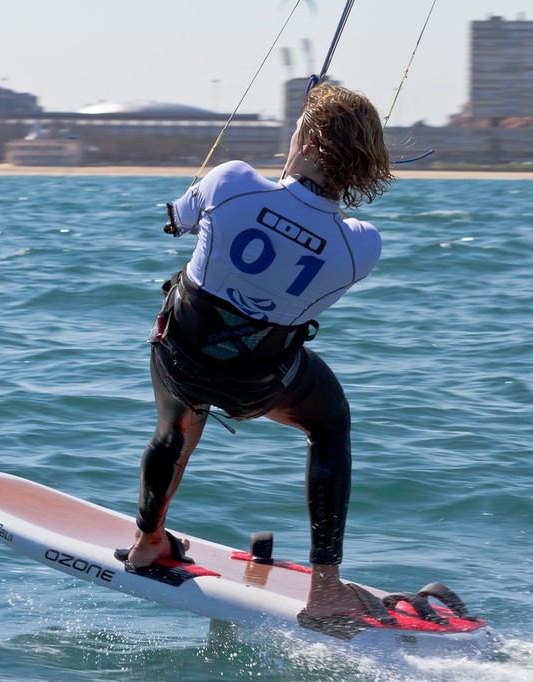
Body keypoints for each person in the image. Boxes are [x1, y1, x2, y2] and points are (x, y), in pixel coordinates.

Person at [122, 82, 394, 627]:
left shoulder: (234, 181)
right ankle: (325, 588)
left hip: (180, 358)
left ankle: (149, 540)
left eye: (297, 129)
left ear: (311, 141)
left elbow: (175, 220)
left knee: (177, 424)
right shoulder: (362, 244)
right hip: (260, 384)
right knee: (330, 424)